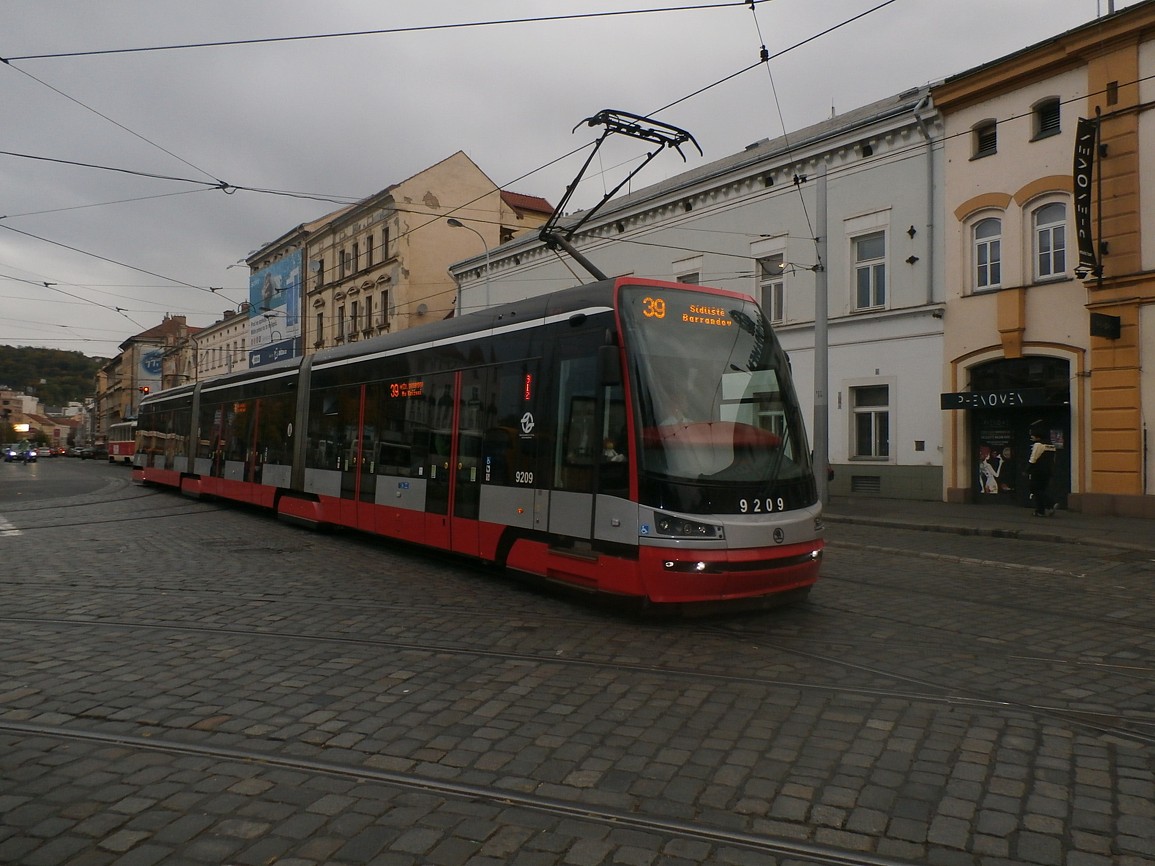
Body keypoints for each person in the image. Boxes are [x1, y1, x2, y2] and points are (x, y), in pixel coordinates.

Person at [1028, 427, 1056, 516]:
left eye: (1033, 435)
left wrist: (1027, 470)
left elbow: (1033, 459)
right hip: (1048, 470)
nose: (1031, 437)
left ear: (1038, 436)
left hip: (1038, 470)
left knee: (1035, 489)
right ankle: (1040, 511)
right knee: (1042, 489)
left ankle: (1050, 504)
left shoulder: (1038, 444)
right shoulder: (1051, 445)